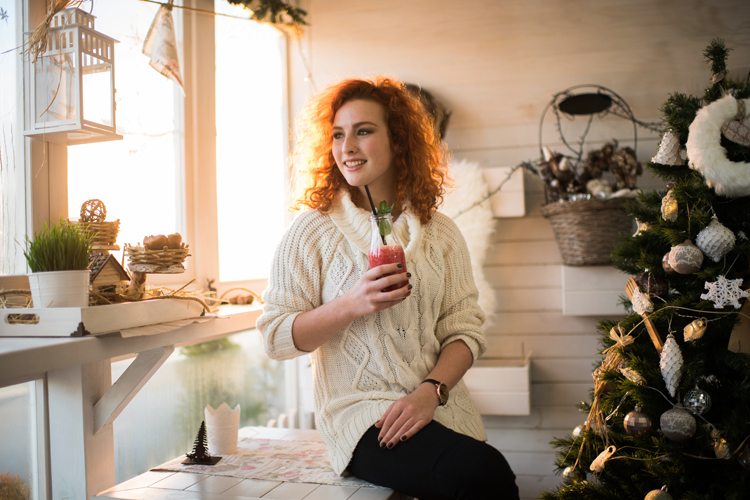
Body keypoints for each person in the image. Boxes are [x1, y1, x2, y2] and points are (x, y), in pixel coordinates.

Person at [257, 76, 519, 500]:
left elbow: (465, 331)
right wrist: (351, 304)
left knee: (483, 474)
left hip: (436, 404)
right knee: (481, 474)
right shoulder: (311, 230)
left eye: (364, 131)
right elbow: (275, 337)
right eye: (338, 135)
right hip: (361, 418)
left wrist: (430, 392)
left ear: (398, 141)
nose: (347, 146)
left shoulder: (441, 233)